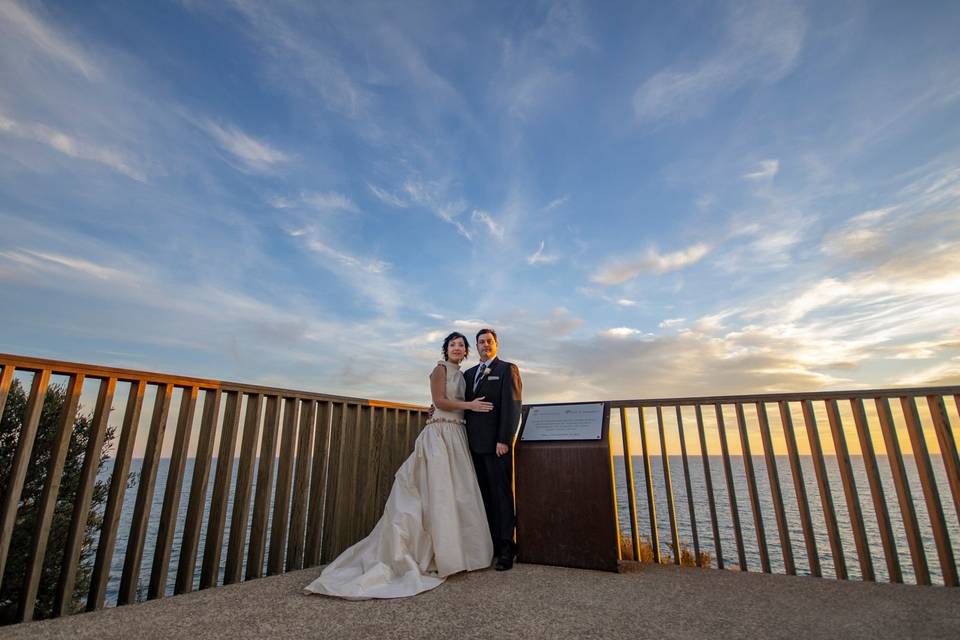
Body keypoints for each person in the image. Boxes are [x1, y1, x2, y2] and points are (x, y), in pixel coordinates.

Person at [304, 332, 495, 599]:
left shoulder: (463, 375)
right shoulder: (439, 370)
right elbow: (439, 402)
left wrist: (465, 408)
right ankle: (434, 553)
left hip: (457, 434)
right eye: (452, 344)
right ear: (446, 349)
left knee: (457, 492)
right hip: (440, 435)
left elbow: (444, 403)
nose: (457, 348)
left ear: (466, 352)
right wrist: (470, 406)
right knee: (436, 491)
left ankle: (460, 552)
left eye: (461, 345)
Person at [463, 328, 522, 571]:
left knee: (501, 496)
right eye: (481, 342)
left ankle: (507, 548)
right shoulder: (467, 375)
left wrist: (504, 440)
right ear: (476, 346)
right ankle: (492, 546)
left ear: (496, 344)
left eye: (489, 341)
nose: (485, 345)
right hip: (472, 445)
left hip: (496, 446)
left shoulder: (507, 369)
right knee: (483, 496)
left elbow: (513, 405)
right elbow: (460, 402)